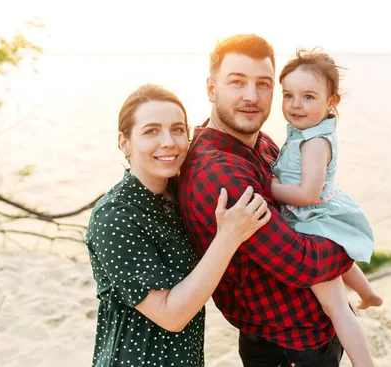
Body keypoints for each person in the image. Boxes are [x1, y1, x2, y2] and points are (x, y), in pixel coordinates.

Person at [179, 35, 368, 366]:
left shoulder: (259, 143)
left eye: (263, 84)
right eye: (237, 83)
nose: (251, 97)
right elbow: (301, 262)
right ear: (211, 89)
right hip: (288, 348)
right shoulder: (220, 173)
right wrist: (352, 239)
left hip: (315, 332)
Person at [85, 83, 271, 367]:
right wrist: (228, 237)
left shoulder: (181, 192)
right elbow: (171, 315)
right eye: (151, 131)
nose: (169, 141)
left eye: (177, 129)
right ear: (124, 142)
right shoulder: (114, 217)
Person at [271, 47, 382, 365]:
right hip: (319, 214)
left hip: (310, 219)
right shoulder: (309, 131)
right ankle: (368, 293)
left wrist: (270, 188)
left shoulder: (316, 143)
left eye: (308, 97)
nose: (295, 104)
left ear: (332, 101)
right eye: (288, 95)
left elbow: (307, 192)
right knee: (340, 262)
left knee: (336, 307)